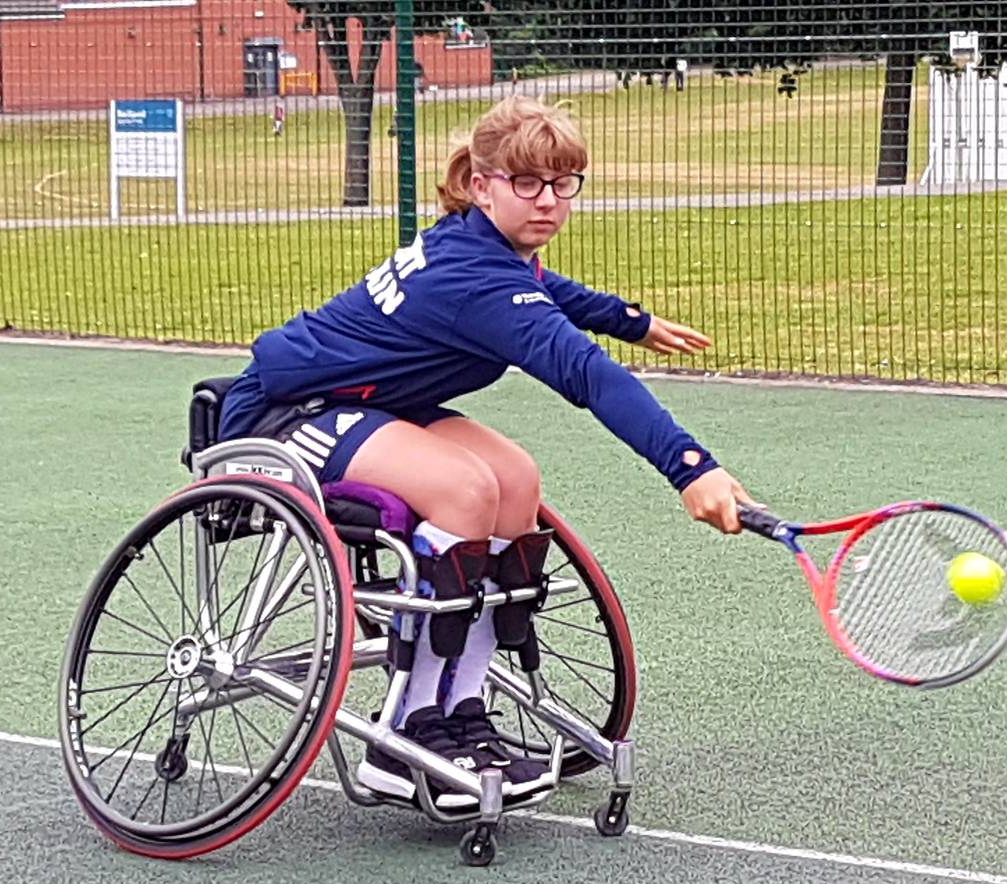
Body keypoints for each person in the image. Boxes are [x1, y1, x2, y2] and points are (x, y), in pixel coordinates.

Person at [219, 96, 755, 806]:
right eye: (526, 183)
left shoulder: (485, 249)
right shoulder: (474, 279)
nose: (548, 202)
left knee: (516, 479)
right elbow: (585, 373)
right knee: (466, 492)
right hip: (285, 413)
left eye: (565, 183)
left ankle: (461, 712)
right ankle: (402, 736)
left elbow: (549, 289)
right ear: (481, 184)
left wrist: (634, 319)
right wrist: (690, 466)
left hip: (373, 405)